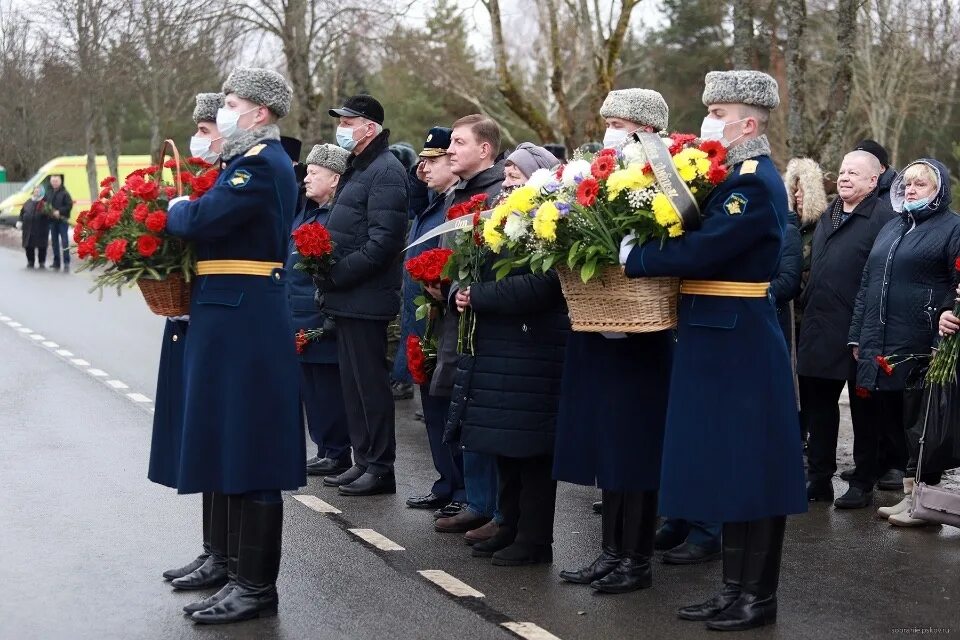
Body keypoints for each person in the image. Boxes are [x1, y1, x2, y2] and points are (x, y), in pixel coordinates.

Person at [621, 70, 807, 631]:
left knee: (752, 467)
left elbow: (708, 248)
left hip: (739, 336)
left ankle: (758, 596)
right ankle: (733, 589)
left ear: (747, 122)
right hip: (713, 331)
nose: (709, 122)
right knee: (725, 466)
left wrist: (641, 258)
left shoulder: (755, 180)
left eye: (718, 114)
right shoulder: (730, 174)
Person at [165, 67, 305, 624]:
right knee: (228, 438)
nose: (223, 111)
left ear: (260, 112)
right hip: (228, 313)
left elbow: (202, 218)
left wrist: (177, 209)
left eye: (230, 102)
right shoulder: (243, 163)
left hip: (247, 317)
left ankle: (255, 586)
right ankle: (230, 567)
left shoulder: (262, 164)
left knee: (254, 447)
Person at [555, 88, 673, 593]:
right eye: (607, 122)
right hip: (599, 325)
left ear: (646, 131)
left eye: (620, 123)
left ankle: (636, 560)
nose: (610, 131)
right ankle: (610, 551)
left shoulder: (669, 176)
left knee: (636, 450)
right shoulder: (596, 172)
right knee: (609, 447)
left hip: (644, 335)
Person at [448, 164, 570, 565]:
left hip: (532, 350)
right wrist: (461, 292)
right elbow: (477, 272)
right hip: (504, 348)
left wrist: (479, 295)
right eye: (508, 174)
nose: (507, 180)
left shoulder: (549, 219)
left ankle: (534, 540)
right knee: (507, 448)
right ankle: (510, 525)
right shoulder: (503, 219)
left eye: (517, 173)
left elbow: (545, 283)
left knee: (531, 451)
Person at [849, 159, 960, 524]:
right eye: (907, 184)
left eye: (920, 185)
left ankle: (924, 499)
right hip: (883, 340)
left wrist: (946, 312)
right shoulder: (893, 228)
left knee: (920, 422)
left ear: (939, 189)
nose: (910, 189)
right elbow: (867, 284)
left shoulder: (952, 228)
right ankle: (911, 495)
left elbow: (956, 284)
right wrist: (857, 335)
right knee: (895, 419)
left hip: (923, 341)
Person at [154, 93, 229, 593]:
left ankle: (224, 557)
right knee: (200, 437)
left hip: (215, 316)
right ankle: (213, 551)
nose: (199, 137)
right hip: (190, 314)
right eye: (197, 128)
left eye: (207, 127)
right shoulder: (212, 176)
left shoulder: (238, 176)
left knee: (216, 439)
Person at [319, 94, 409, 496]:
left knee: (370, 386)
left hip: (365, 296)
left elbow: (382, 242)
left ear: (369, 128)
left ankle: (380, 466)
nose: (342, 127)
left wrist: (337, 274)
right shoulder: (362, 168)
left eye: (348, 121)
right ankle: (364, 460)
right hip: (349, 296)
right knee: (353, 387)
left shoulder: (385, 172)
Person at [797, 151, 897, 507]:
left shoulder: (885, 218)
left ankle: (863, 482)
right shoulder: (828, 215)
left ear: (874, 181)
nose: (844, 178)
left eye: (854, 173)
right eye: (841, 172)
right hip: (820, 327)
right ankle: (819, 479)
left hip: (860, 333)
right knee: (820, 410)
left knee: (865, 412)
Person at [432, 115, 505, 540]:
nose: (450, 150)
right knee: (463, 408)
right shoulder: (458, 190)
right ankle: (476, 500)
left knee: (481, 409)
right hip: (455, 313)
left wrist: (462, 286)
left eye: (459, 143)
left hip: (481, 314)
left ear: (485, 150)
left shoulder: (498, 193)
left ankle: (490, 505)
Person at [403, 127, 468, 514]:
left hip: (444, 315)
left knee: (447, 408)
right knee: (431, 407)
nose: (423, 169)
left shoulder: (454, 204)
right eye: (421, 162)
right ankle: (446, 481)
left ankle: (460, 487)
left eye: (433, 161)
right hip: (423, 315)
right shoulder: (435, 202)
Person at [288, 143, 353, 478]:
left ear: (335, 178)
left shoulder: (337, 216)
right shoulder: (308, 211)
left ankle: (338, 451)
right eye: (308, 171)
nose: (307, 179)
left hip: (321, 314)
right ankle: (325, 448)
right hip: (298, 313)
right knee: (311, 388)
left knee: (328, 388)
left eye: (314, 173)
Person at [19, 185, 51, 268]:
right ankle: (30, 261)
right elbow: (22, 212)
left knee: (42, 246)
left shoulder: (45, 202)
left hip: (41, 228)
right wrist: (20, 221)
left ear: (42, 192)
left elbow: (49, 214)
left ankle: (41, 262)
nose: (36, 192)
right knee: (28, 245)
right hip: (28, 228)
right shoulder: (28, 202)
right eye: (35, 190)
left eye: (38, 190)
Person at [46, 174, 73, 270]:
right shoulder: (49, 192)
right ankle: (56, 262)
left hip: (62, 221)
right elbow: (46, 204)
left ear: (60, 181)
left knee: (64, 241)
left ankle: (66, 262)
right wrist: (49, 212)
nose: (54, 183)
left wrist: (59, 211)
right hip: (52, 221)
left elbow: (69, 205)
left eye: (56, 181)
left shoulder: (65, 193)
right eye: (53, 181)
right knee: (54, 242)